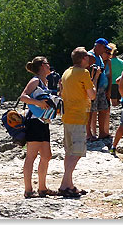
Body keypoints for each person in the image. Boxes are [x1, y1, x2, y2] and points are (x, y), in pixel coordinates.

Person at [58, 47, 96, 198]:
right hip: (78, 116)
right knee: (77, 152)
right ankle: (64, 184)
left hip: (67, 116)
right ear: (83, 59)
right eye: (87, 57)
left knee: (69, 152)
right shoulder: (84, 73)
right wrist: (93, 81)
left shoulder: (66, 72)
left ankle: (69, 184)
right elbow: (92, 95)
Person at [19, 57, 55, 199]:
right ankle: (28, 190)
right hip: (34, 122)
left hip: (43, 122)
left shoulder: (44, 82)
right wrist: (38, 103)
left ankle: (42, 188)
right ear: (42, 66)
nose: (49, 65)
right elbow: (23, 97)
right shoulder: (35, 80)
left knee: (46, 155)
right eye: (47, 63)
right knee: (31, 156)